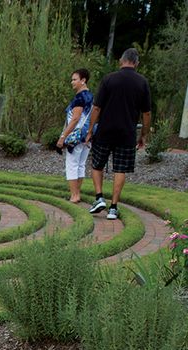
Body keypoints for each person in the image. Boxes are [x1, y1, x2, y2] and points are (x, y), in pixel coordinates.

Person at [86, 47, 151, 220]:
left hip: (105, 131)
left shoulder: (109, 79)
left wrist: (90, 129)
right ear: (136, 63)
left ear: (121, 61)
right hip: (127, 134)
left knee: (97, 164)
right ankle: (113, 208)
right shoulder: (142, 82)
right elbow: (146, 113)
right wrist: (143, 135)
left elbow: (97, 107)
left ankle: (99, 197)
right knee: (120, 169)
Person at [57, 68, 93, 203]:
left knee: (72, 164)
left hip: (75, 137)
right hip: (87, 136)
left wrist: (62, 137)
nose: (72, 82)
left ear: (83, 80)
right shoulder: (91, 96)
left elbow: (75, 119)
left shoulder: (80, 98)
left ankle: (74, 195)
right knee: (81, 165)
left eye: (74, 79)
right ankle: (77, 193)